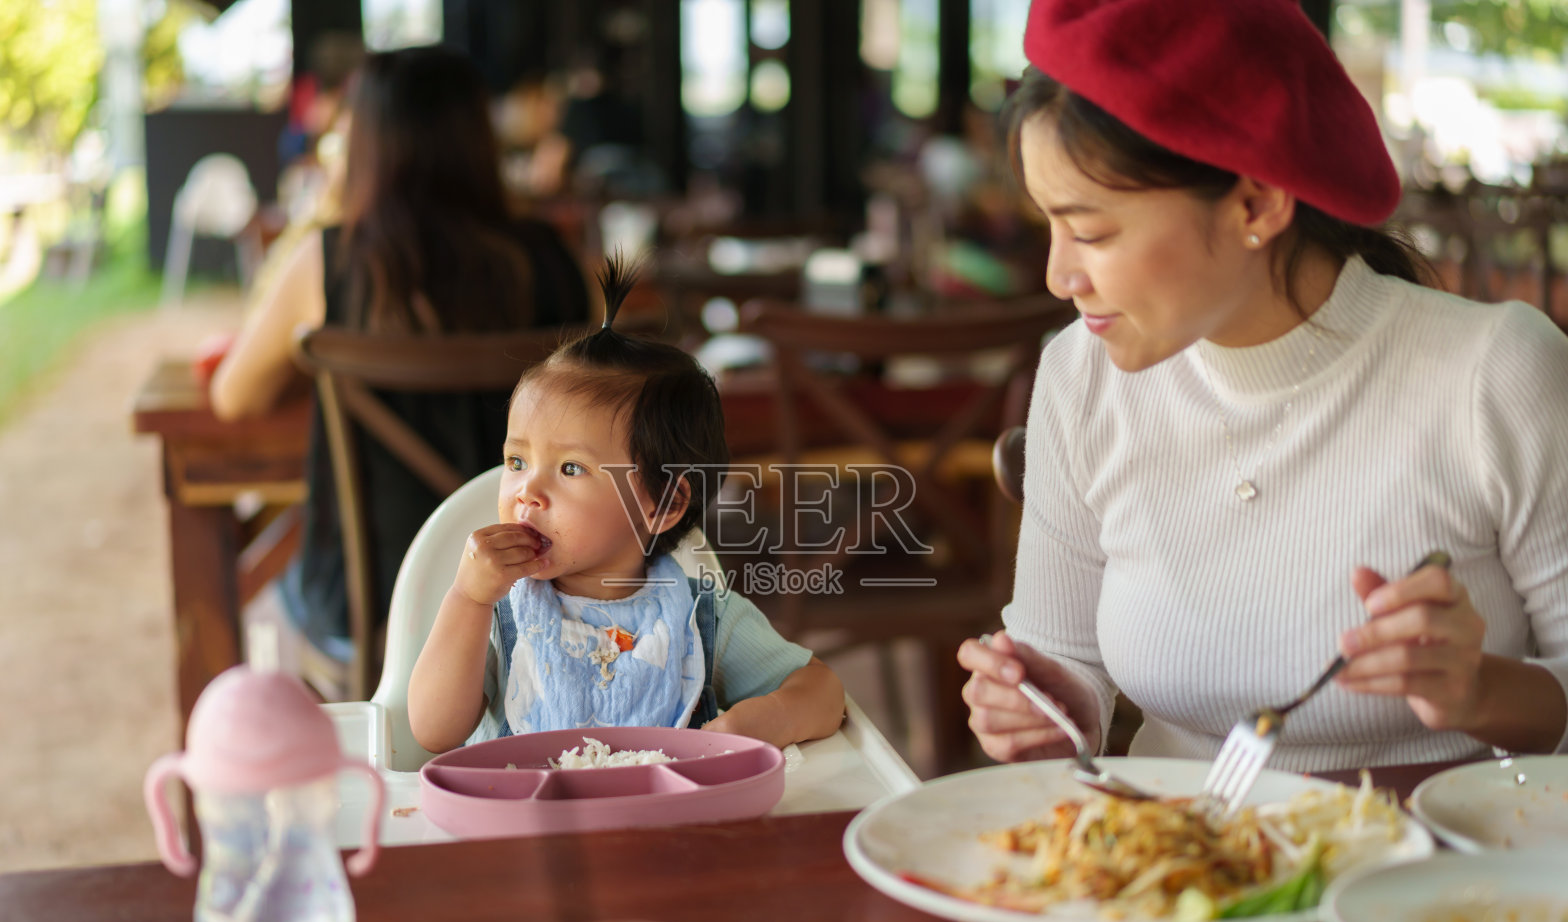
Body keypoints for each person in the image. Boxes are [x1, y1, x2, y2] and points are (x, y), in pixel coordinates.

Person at [958, 0, 1568, 773]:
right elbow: (1066, 661)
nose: (1058, 275)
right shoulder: (1080, 376)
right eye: (1050, 224)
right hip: (1171, 860)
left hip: (1440, 873)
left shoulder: (1494, 374)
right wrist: (1049, 710)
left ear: (1256, 201)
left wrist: (1480, 690)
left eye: (1093, 231)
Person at [211, 46, 591, 674]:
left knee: (280, 593)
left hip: (374, 610)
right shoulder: (557, 259)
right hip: (544, 590)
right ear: (480, 139)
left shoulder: (331, 263)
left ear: (362, 143)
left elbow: (235, 397)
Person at [407, 258, 846, 751]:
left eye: (571, 468)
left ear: (663, 504)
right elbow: (432, 731)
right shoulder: (500, 612)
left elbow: (824, 691)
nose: (526, 490)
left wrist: (765, 721)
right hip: (522, 820)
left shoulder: (701, 618)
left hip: (666, 825)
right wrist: (468, 600)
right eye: (516, 460)